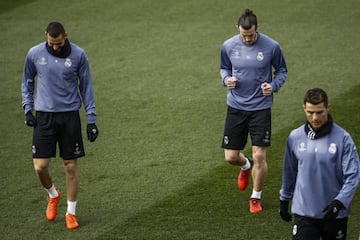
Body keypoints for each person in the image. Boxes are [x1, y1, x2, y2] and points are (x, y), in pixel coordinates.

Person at [21, 21, 99, 230]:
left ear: (66, 36)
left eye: (59, 43)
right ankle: (53, 195)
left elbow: (87, 87)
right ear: (46, 36)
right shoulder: (34, 54)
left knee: (70, 166)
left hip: (69, 117)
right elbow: (27, 81)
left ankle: (70, 213)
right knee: (40, 167)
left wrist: (91, 120)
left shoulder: (78, 55)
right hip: (44, 117)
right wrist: (28, 109)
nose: (55, 47)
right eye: (51, 43)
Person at [220, 8, 287, 213]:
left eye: (250, 35)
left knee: (260, 156)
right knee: (231, 157)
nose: (247, 39)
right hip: (236, 106)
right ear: (237, 30)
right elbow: (224, 67)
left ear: (257, 30)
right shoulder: (228, 46)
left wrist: (273, 86)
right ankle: (245, 166)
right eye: (243, 35)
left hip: (260, 108)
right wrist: (226, 79)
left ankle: (255, 196)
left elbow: (282, 70)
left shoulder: (271, 46)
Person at [279, 88, 360, 239]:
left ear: (328, 108)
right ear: (304, 109)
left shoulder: (343, 138)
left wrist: (339, 202)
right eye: (310, 112)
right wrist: (284, 199)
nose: (315, 117)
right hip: (304, 212)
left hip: (335, 213)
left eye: (319, 112)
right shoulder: (295, 137)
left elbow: (353, 176)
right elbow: (289, 171)